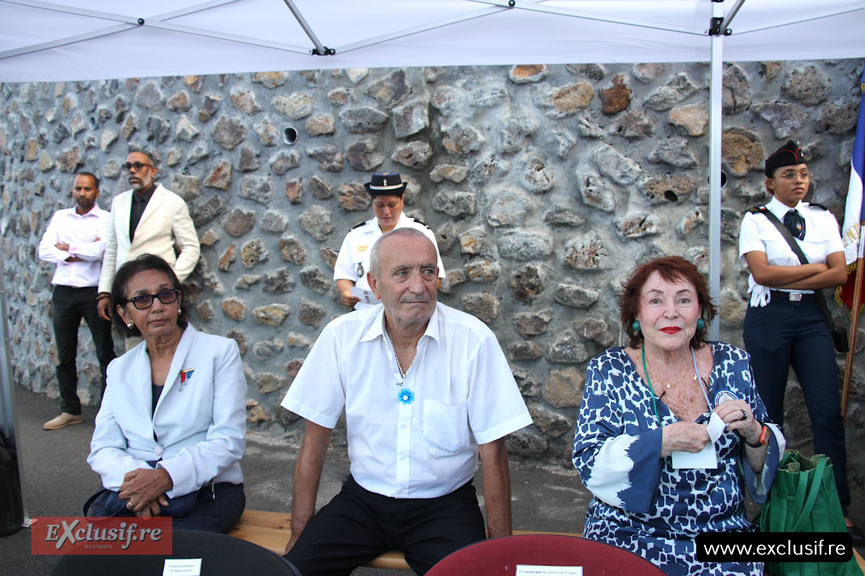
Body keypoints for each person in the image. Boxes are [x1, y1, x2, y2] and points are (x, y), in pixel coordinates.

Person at [281, 228, 532, 576]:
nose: (418, 286)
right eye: (402, 273)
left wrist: (500, 549)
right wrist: (299, 531)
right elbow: (315, 439)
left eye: (428, 271)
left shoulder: (472, 340)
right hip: (363, 502)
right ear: (374, 283)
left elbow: (494, 452)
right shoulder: (342, 336)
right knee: (293, 572)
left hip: (444, 507)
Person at [572, 256, 785, 576]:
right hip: (629, 535)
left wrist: (755, 432)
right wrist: (661, 442)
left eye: (684, 300)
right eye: (656, 300)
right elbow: (589, 459)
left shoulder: (733, 363)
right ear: (636, 315)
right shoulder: (610, 370)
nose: (671, 312)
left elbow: (761, 462)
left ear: (699, 312)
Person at [738, 140, 860, 539]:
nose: (799, 181)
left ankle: (835, 507)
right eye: (789, 175)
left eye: (804, 174)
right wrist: (814, 271)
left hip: (811, 320)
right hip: (769, 316)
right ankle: (770, 507)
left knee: (826, 412)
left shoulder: (823, 219)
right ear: (770, 183)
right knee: (768, 416)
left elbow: (839, 274)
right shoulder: (754, 220)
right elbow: (763, 275)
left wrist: (793, 272)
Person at [86, 255, 246, 532]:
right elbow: (103, 448)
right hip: (133, 492)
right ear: (125, 314)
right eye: (142, 299)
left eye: (165, 294)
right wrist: (142, 482)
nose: (157, 306)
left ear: (178, 300)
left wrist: (166, 477)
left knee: (173, 553)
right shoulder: (119, 368)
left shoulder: (219, 352)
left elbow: (228, 440)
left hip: (206, 491)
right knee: (97, 546)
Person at [39, 172, 116, 430]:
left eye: (87, 189)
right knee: (64, 355)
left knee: (105, 353)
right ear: (73, 191)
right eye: (78, 188)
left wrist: (65, 249)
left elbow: (101, 250)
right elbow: (44, 250)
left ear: (96, 192)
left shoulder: (105, 218)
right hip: (63, 292)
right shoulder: (61, 217)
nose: (82, 193)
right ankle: (70, 409)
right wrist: (82, 249)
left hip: (93, 292)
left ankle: (109, 413)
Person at [97, 150, 200, 325]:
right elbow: (112, 249)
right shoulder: (119, 202)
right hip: (128, 291)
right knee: (134, 344)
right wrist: (105, 291)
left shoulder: (171, 202)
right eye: (128, 166)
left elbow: (191, 247)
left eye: (138, 165)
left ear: (153, 171)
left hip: (160, 293)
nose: (132, 170)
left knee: (163, 340)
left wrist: (170, 280)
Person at [334, 171, 445, 309]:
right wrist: (347, 292)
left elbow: (436, 278)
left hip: (407, 313)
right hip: (364, 314)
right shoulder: (356, 235)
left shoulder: (421, 233)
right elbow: (344, 276)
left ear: (402, 199)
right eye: (380, 205)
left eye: (392, 205)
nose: (386, 212)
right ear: (372, 202)